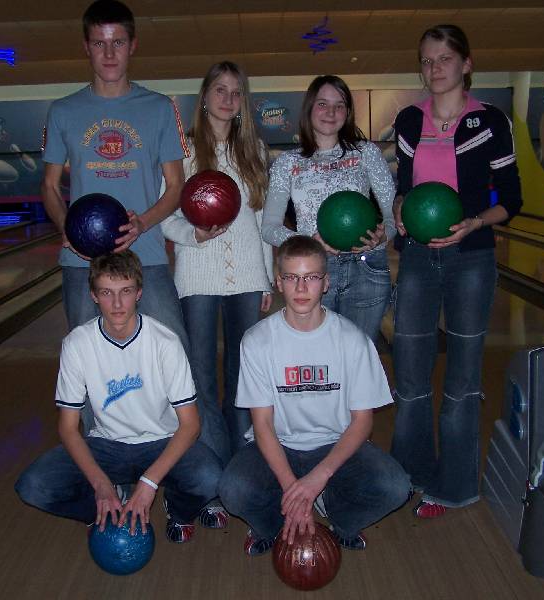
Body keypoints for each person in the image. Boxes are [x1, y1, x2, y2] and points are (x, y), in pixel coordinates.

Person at [390, 24, 522, 519]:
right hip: (418, 256)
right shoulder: (409, 120)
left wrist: (473, 223)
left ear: (466, 64)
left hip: (472, 257)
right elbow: (405, 189)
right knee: (410, 375)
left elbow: (511, 199)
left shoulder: (489, 120)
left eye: (444, 59)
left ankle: (457, 485)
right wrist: (400, 208)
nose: (434, 69)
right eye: (426, 61)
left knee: (463, 379)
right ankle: (410, 474)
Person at [218, 236, 410, 556]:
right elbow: (262, 425)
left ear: (326, 282)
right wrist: (293, 488)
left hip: (335, 443)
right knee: (232, 490)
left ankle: (338, 517)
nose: (301, 287)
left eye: (311, 277)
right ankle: (274, 525)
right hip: (279, 444)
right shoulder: (257, 341)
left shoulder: (353, 340)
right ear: (279, 282)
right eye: (292, 277)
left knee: (395, 487)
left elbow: (362, 422)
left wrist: (318, 478)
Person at [14, 251, 223, 543]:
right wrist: (100, 484)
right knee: (33, 486)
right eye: (106, 292)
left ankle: (176, 508)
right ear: (93, 295)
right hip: (106, 445)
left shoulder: (164, 342)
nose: (116, 303)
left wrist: (149, 483)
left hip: (161, 441)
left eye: (125, 291)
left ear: (139, 293)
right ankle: (105, 511)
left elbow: (190, 425)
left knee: (211, 478)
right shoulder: (77, 344)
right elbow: (68, 427)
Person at [41, 0, 189, 351]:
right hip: (82, 261)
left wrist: (142, 224)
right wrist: (68, 230)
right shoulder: (62, 111)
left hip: (146, 255)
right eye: (99, 43)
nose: (109, 53)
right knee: (85, 359)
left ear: (132, 45)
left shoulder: (160, 108)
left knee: (175, 351)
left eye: (118, 42)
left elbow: (176, 186)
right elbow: (49, 185)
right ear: (86, 47)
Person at [161, 61, 274, 466]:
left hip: (247, 275)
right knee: (201, 375)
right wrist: (193, 235)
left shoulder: (255, 151)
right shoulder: (184, 152)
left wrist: (265, 279)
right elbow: (165, 218)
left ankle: (241, 462)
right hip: (196, 275)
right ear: (205, 97)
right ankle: (211, 462)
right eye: (220, 90)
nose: (228, 99)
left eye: (236, 92)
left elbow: (261, 219)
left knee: (243, 375)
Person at [262, 75, 396, 343]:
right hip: (314, 271)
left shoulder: (366, 152)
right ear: (309, 108)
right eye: (322, 104)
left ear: (348, 112)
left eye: (339, 105)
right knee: (318, 356)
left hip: (367, 268)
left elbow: (393, 216)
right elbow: (269, 228)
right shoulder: (288, 162)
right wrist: (308, 243)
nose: (331, 112)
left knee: (360, 354)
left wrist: (382, 236)